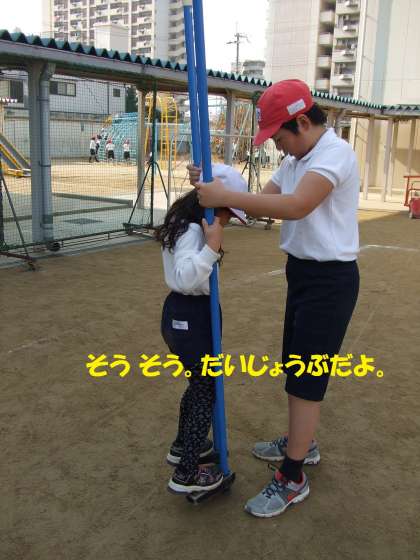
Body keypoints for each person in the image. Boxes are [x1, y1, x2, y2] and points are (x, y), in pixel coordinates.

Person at [188, 79, 360, 517]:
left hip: (330, 280)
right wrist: (214, 187)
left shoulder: (334, 154)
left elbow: (297, 205)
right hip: (301, 273)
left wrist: (225, 195)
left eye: (279, 137)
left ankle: (293, 476)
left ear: (301, 122)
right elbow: (257, 203)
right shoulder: (296, 159)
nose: (276, 146)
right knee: (295, 367)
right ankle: (304, 444)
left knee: (306, 377)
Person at [155, 163, 248, 494]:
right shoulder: (194, 231)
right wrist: (211, 247)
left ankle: (183, 445)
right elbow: (184, 278)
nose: (228, 221)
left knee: (198, 385)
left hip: (185, 316)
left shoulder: (186, 224)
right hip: (189, 316)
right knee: (205, 390)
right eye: (228, 213)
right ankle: (187, 473)